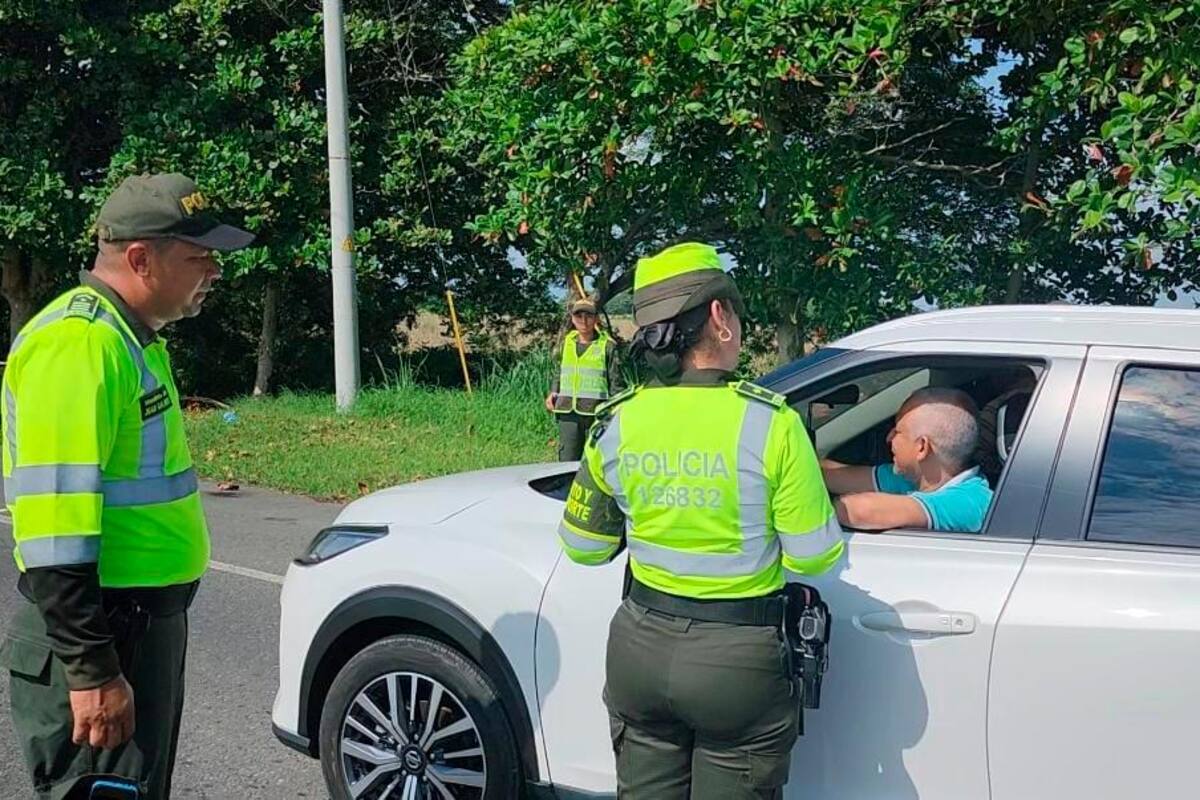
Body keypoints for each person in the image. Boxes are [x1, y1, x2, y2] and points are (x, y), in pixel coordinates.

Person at [557, 242, 844, 799]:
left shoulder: (617, 421)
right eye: (734, 311)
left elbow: (585, 547)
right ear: (719, 317)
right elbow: (814, 554)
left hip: (639, 650)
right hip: (737, 663)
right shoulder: (772, 423)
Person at [0, 173, 254, 799]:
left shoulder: (128, 338)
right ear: (141, 257)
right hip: (103, 636)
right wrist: (92, 672)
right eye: (200, 256)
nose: (214, 272)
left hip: (133, 630)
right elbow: (56, 534)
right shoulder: (81, 345)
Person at [821, 387, 993, 533]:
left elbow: (857, 511)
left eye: (898, 431)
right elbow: (834, 475)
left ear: (922, 448)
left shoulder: (969, 502)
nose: (889, 438)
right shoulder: (915, 476)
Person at [545, 295, 623, 461]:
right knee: (566, 463)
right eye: (579, 316)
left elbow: (616, 382)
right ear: (573, 319)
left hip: (595, 413)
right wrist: (553, 392)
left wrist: (615, 411)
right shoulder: (567, 343)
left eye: (588, 315)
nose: (583, 320)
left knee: (593, 462)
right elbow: (560, 371)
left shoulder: (607, 346)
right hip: (566, 411)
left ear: (595, 318)